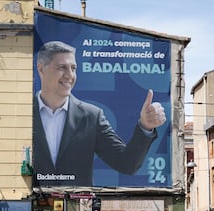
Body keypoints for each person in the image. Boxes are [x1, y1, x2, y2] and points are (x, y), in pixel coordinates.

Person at [33, 41, 166, 187]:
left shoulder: (91, 117)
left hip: (77, 207)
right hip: (27, 205)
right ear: (41, 69)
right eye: (62, 67)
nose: (70, 75)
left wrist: (145, 127)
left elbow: (127, 164)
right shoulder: (22, 113)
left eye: (73, 68)